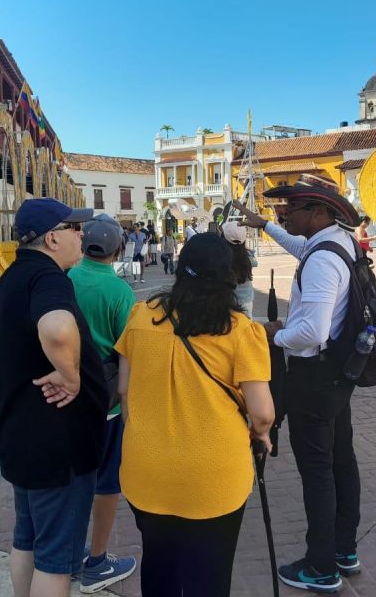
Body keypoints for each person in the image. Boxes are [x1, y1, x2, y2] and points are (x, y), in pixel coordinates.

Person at [115, 233, 274, 597]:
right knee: (210, 575)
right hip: (214, 476)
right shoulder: (240, 332)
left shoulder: (142, 316)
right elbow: (262, 413)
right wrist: (261, 434)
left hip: (147, 470)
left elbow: (124, 391)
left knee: (159, 567)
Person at [235, 173, 363, 593]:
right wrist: (263, 226)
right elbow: (300, 248)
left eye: (294, 207)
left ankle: (321, 565)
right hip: (336, 376)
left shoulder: (324, 258)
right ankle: (344, 548)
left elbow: (312, 332)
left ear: (321, 212)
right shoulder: (333, 243)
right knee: (341, 459)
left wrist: (275, 334)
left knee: (317, 471)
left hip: (313, 376)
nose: (283, 212)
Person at [0, 198, 107, 597]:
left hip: (20, 433)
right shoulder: (49, 279)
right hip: (57, 443)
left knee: (27, 540)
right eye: (75, 228)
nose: (82, 235)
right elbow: (56, 328)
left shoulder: (11, 277)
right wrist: (71, 377)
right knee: (54, 558)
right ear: (53, 238)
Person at [67, 215, 137, 593]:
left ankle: (70, 553)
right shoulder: (119, 291)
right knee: (107, 483)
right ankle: (97, 560)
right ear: (118, 249)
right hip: (106, 401)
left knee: (76, 477)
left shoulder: (65, 280)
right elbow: (128, 350)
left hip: (65, 394)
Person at [221, 221, 257, 317]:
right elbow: (255, 263)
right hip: (246, 301)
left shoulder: (222, 257)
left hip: (228, 301)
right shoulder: (248, 256)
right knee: (245, 328)